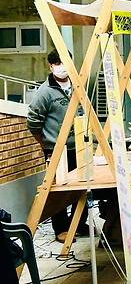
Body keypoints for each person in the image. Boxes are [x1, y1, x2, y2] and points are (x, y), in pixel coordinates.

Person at [27, 49, 87, 243]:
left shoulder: (77, 85)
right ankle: (61, 228)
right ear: (51, 66)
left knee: (81, 186)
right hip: (56, 149)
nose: (62, 67)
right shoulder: (45, 92)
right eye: (57, 63)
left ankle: (79, 224)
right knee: (58, 189)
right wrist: (45, 144)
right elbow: (33, 122)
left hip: (78, 146)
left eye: (65, 62)